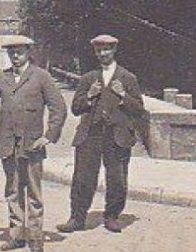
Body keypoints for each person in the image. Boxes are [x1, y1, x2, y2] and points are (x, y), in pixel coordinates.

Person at [59, 34, 146, 235]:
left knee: (116, 177)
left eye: (106, 50)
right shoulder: (89, 78)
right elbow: (76, 108)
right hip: (91, 134)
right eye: (99, 50)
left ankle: (112, 216)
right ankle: (77, 217)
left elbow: (139, 110)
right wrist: (89, 95)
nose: (102, 54)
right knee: (83, 177)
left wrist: (123, 95)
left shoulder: (127, 78)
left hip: (117, 135)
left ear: (114, 50)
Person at [0, 35, 66, 252]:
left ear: (28, 52)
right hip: (8, 144)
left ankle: (35, 236)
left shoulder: (41, 76)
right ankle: (16, 235)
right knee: (13, 191)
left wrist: (49, 136)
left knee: (33, 192)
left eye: (20, 51)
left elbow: (59, 107)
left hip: (32, 144)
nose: (15, 56)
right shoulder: (1, 78)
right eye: (11, 52)